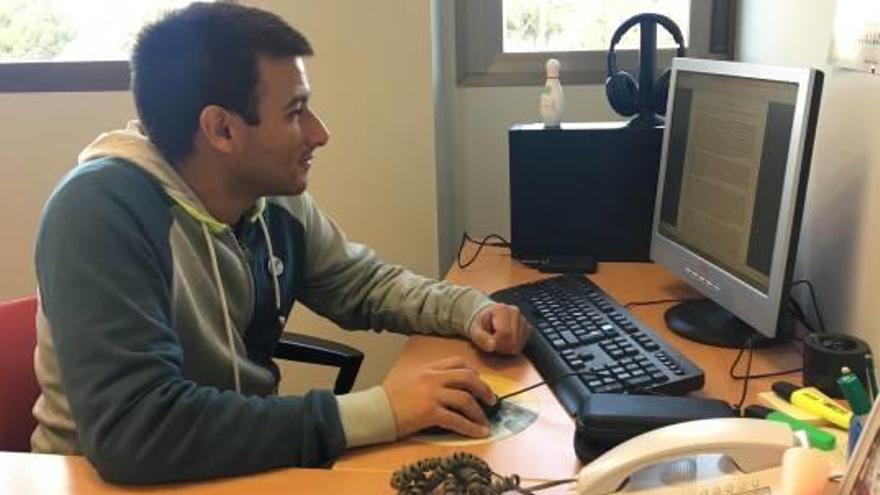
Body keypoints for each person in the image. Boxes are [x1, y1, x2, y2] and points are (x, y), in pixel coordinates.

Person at [31, 2, 531, 485]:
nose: (320, 133)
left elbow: (361, 284)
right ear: (221, 129)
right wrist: (383, 411)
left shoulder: (268, 198)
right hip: (99, 481)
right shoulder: (98, 211)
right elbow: (136, 432)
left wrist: (469, 309)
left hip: (232, 465)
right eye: (296, 111)